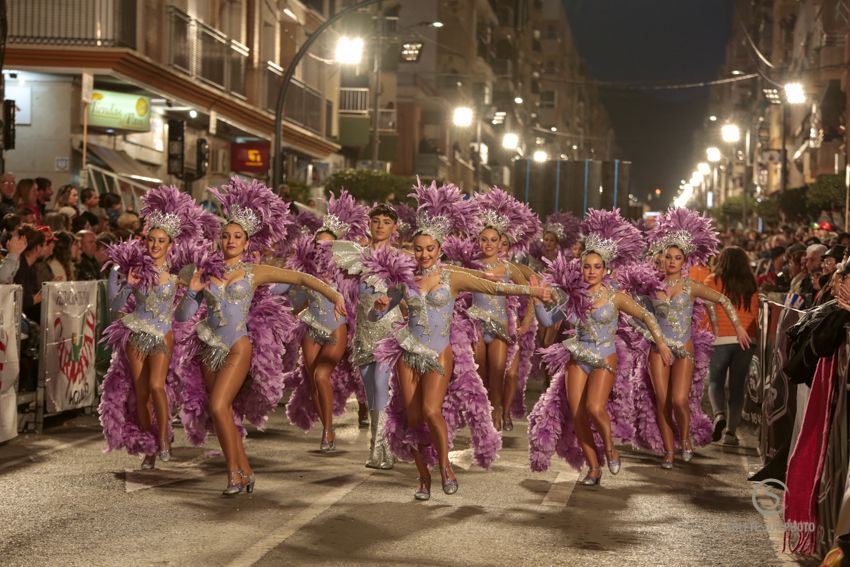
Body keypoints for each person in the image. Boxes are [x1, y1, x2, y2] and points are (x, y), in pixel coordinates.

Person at [372, 181, 551, 499]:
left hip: (439, 351)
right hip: (408, 351)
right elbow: (377, 314)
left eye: (430, 248)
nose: (424, 254)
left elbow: (496, 289)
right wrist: (378, 307)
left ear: (439, 249)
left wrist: (532, 291)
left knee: (430, 411)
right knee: (412, 419)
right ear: (413, 249)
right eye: (419, 248)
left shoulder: (451, 277)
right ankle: (423, 477)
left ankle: (444, 468)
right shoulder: (405, 278)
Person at [175, 178, 346, 496]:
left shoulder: (254, 271)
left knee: (217, 405)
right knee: (223, 412)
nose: (230, 241)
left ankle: (232, 475)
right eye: (225, 235)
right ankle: (245, 471)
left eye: (237, 236)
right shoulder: (205, 271)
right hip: (207, 345)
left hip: (238, 346)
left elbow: (298, 277)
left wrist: (333, 294)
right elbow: (184, 317)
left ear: (246, 240)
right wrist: (193, 291)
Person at [528, 208, 672, 485]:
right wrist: (536, 298)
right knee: (577, 412)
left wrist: (662, 343)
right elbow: (547, 319)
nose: (591, 271)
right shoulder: (573, 296)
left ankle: (610, 448)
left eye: (597, 267)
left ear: (605, 270)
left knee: (594, 408)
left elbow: (646, 316)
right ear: (580, 268)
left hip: (605, 357)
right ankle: (593, 468)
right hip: (577, 356)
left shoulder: (616, 297)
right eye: (586, 266)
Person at [100, 185, 221, 469]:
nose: (155, 245)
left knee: (157, 386)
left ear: (170, 245)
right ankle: (150, 447)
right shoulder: (135, 270)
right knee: (141, 395)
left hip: (163, 334)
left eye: (161, 241)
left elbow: (183, 315)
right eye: (151, 240)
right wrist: (128, 287)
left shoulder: (179, 274)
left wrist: (192, 292)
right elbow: (114, 305)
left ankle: (165, 438)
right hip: (136, 334)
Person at [645, 209, 750, 468]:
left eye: (677, 258)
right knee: (662, 401)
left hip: (684, 348)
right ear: (662, 258)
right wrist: (654, 337)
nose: (671, 262)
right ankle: (669, 450)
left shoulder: (691, 286)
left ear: (684, 261)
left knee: (679, 400)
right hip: (658, 349)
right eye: (668, 257)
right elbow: (640, 316)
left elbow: (723, 300)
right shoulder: (651, 286)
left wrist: (737, 327)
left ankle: (685, 439)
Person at [281, 191, 367, 451]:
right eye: (319, 245)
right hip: (311, 328)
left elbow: (368, 287)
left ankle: (329, 431)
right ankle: (326, 425)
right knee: (312, 380)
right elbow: (286, 290)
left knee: (321, 375)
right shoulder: (304, 272)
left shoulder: (347, 272)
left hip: (336, 328)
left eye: (329, 246)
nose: (322, 250)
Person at [332, 203, 414, 470]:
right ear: (369, 224)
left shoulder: (399, 259)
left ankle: (381, 449)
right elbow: (342, 287)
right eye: (375, 220)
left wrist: (388, 306)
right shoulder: (356, 256)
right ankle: (378, 448)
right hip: (363, 331)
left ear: (394, 228)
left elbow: (402, 292)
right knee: (371, 391)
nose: (380, 225)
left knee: (382, 386)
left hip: (389, 330)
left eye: (386, 222)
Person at [704, 246, 759, 446]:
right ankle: (731, 433)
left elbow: (705, 309)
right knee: (737, 387)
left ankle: (719, 415)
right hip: (745, 340)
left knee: (716, 382)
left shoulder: (712, 280)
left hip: (720, 339)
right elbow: (754, 313)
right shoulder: (751, 283)